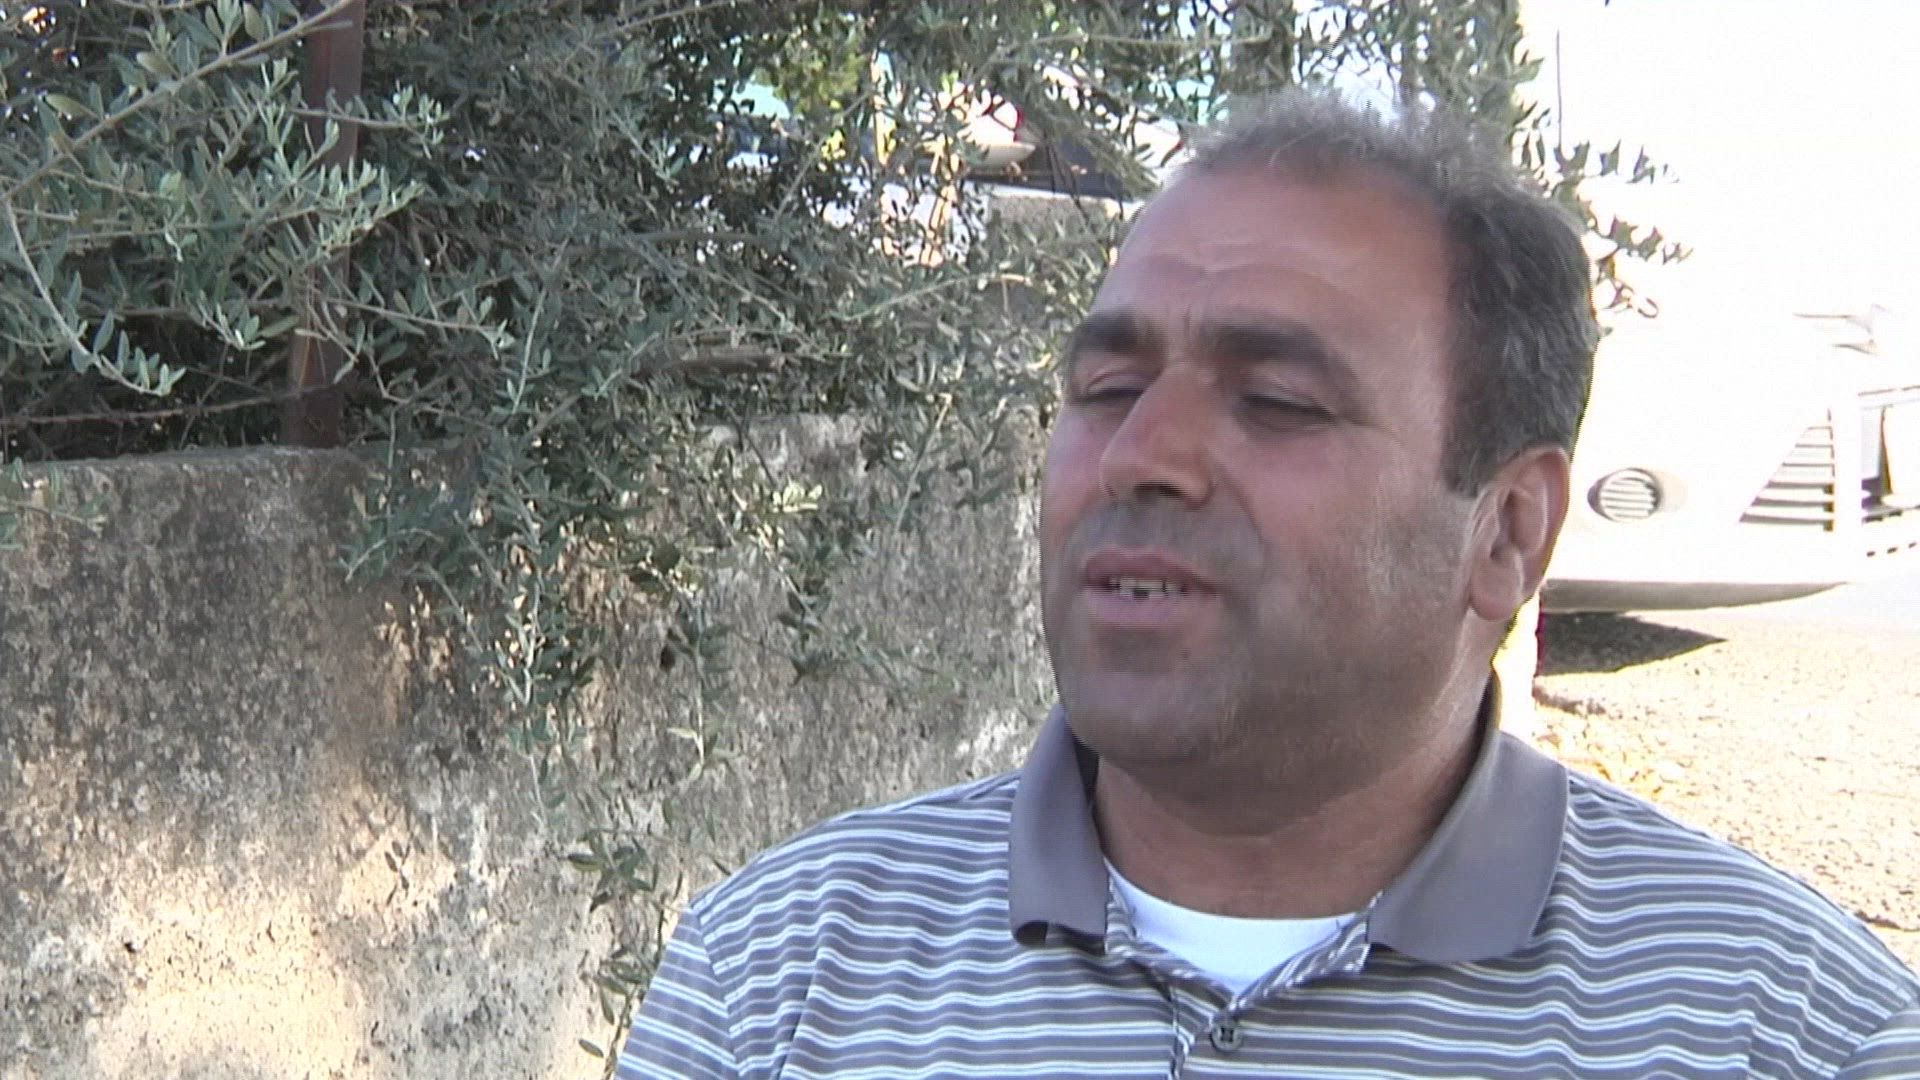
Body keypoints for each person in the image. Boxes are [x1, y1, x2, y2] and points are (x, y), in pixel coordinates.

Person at [616, 89, 1920, 1077]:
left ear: (1508, 534)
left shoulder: (1790, 1032)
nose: (1144, 455)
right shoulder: (776, 982)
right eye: (1107, 387)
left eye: (1281, 401)